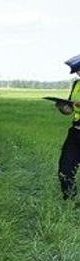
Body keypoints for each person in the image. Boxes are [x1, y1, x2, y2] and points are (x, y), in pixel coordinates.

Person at [55, 54, 80, 198]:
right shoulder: (77, 84)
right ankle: (70, 203)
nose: (78, 73)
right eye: (77, 71)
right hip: (76, 132)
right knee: (65, 169)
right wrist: (63, 107)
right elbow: (70, 110)